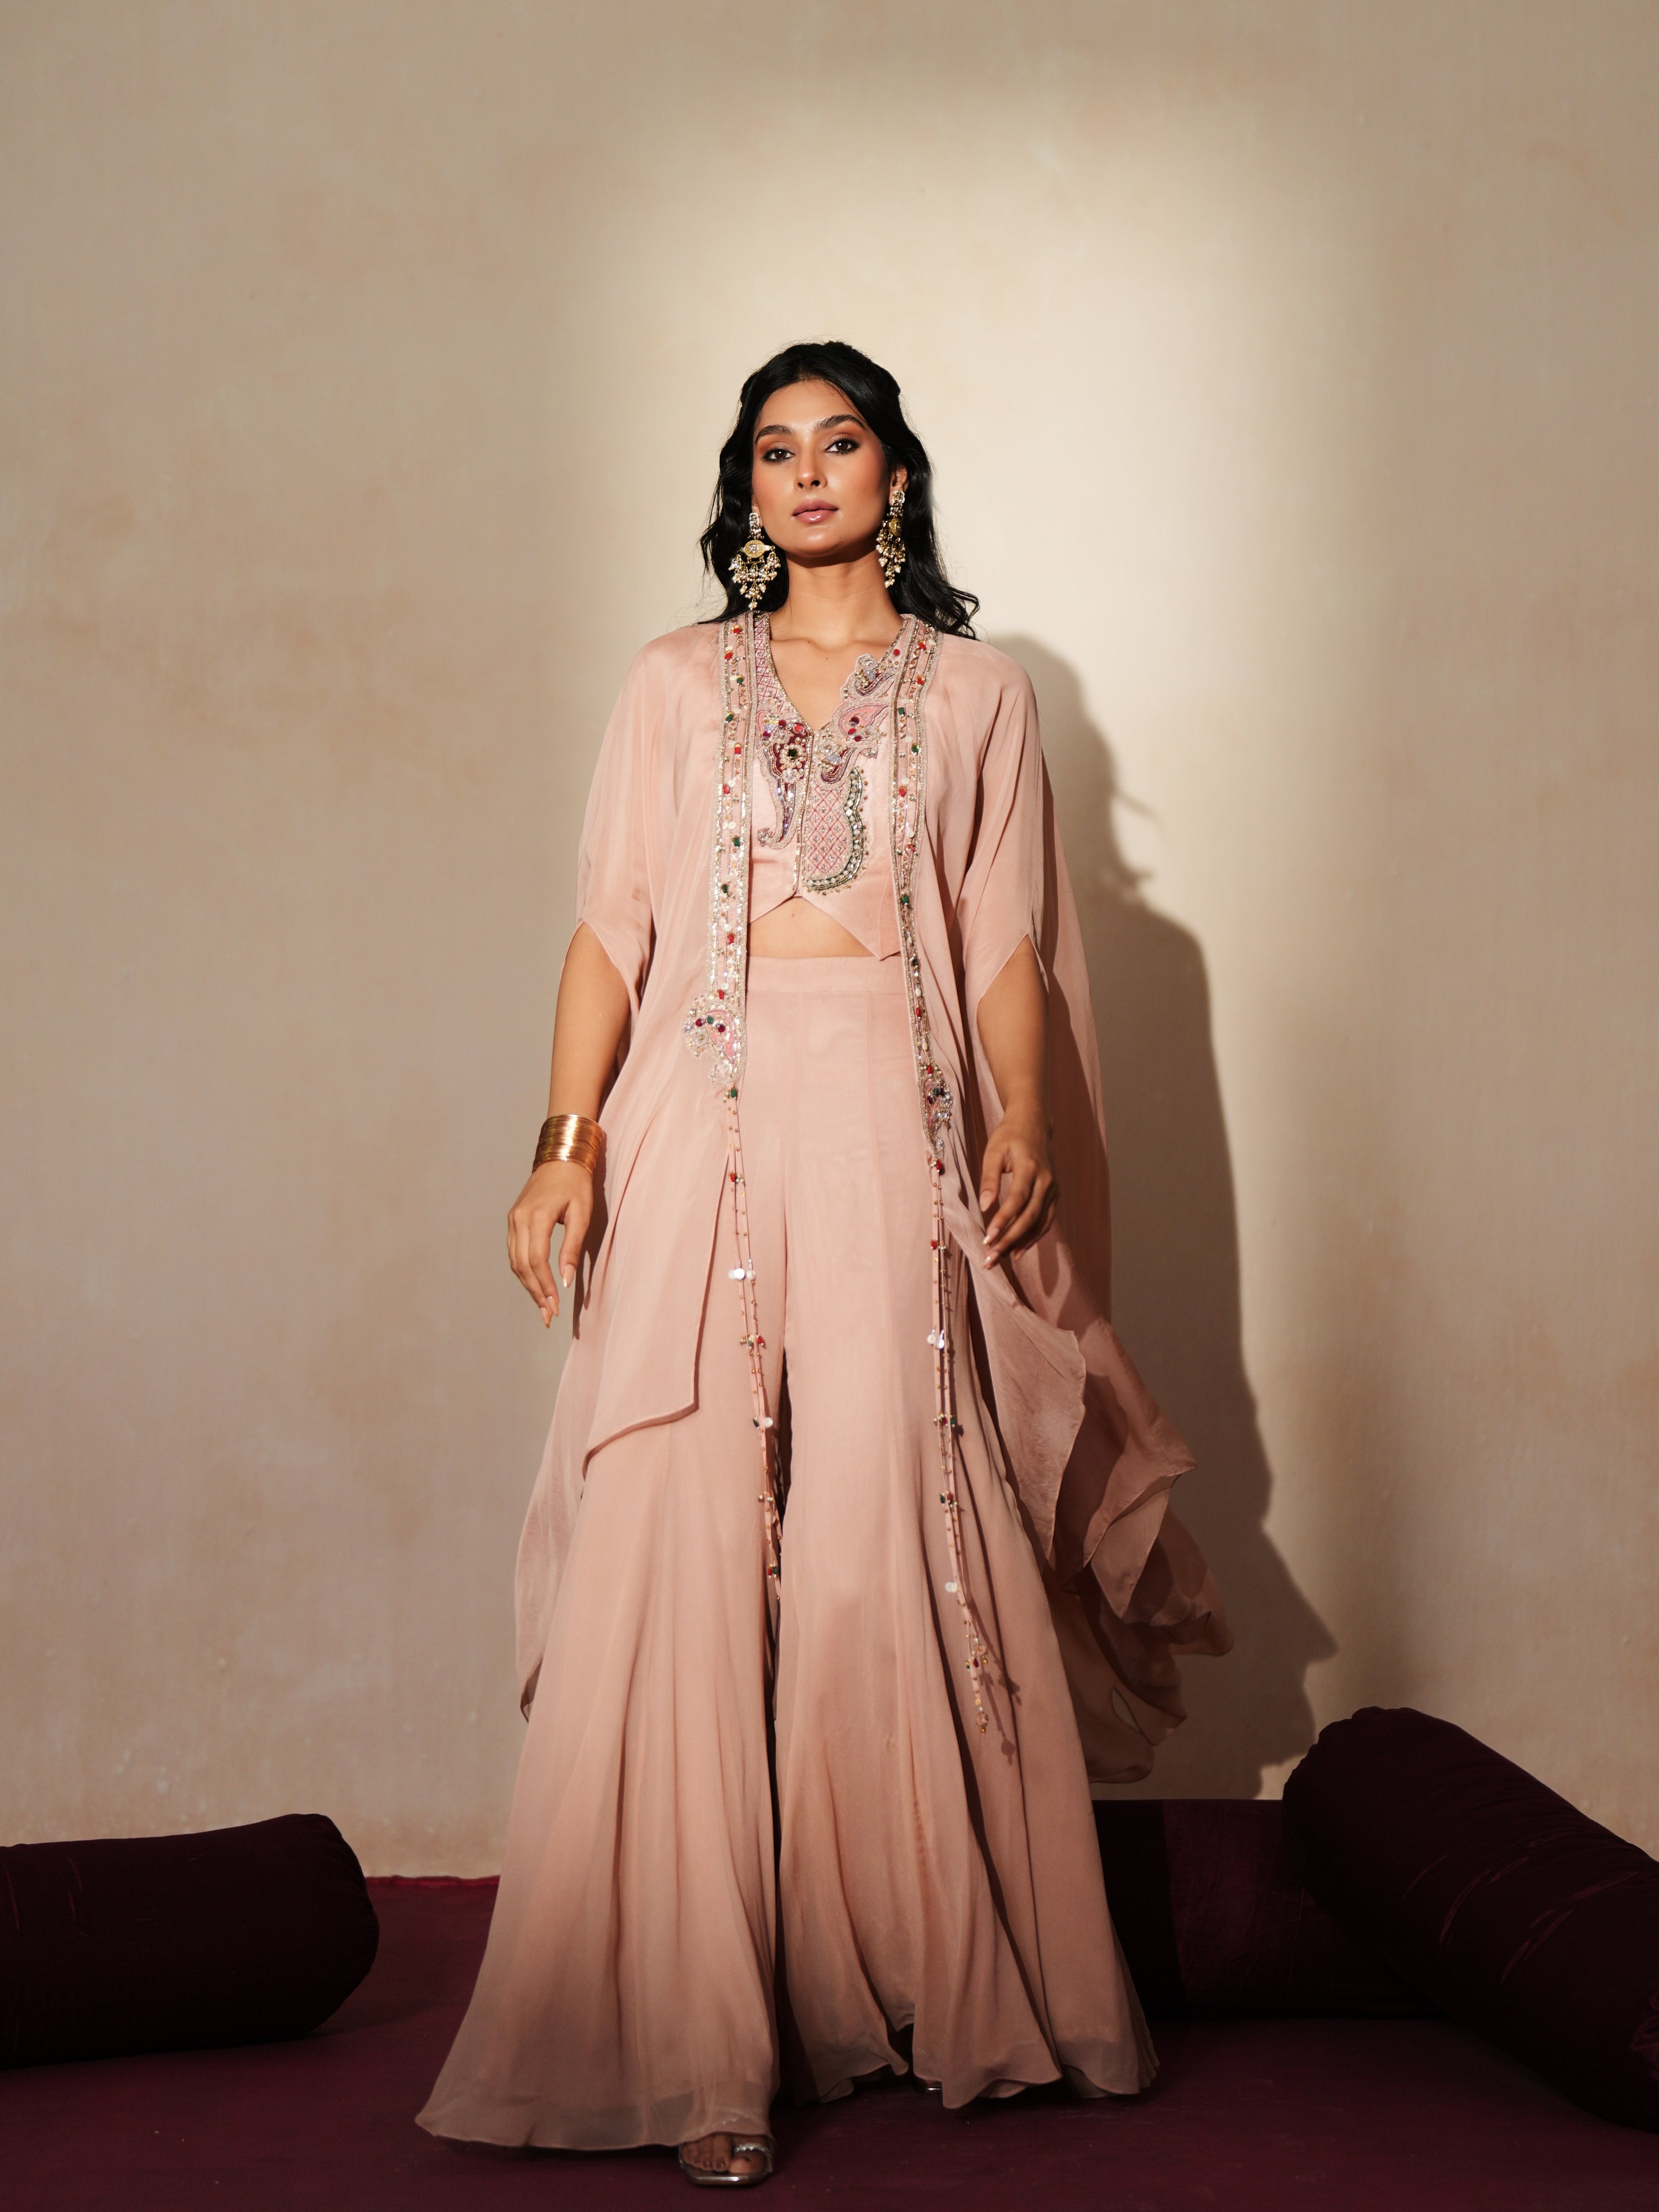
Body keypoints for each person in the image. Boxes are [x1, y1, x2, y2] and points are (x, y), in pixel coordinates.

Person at [416, 341, 1230, 2185]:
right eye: (772, 450)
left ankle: (908, 1985)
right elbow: (611, 933)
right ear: (746, 485)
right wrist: (562, 1151)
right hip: (691, 1120)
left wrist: (1022, 1120)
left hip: (889, 1120)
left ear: (895, 474)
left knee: (881, 1534)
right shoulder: (668, 682)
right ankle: (689, 2048)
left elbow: (1004, 940)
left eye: (837, 442)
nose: (804, 475)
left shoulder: (975, 695)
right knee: (680, 1540)